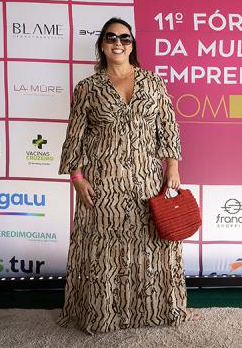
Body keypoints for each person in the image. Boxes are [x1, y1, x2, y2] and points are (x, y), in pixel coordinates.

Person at [57, 17, 190, 334]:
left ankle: (153, 312)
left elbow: (167, 126)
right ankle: (103, 314)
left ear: (132, 45)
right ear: (102, 45)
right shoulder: (88, 88)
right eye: (111, 37)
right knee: (104, 251)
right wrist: (76, 178)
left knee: (150, 246)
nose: (118, 42)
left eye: (125, 38)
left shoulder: (153, 82)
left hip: (147, 180)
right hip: (102, 182)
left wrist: (172, 166)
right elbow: (75, 136)